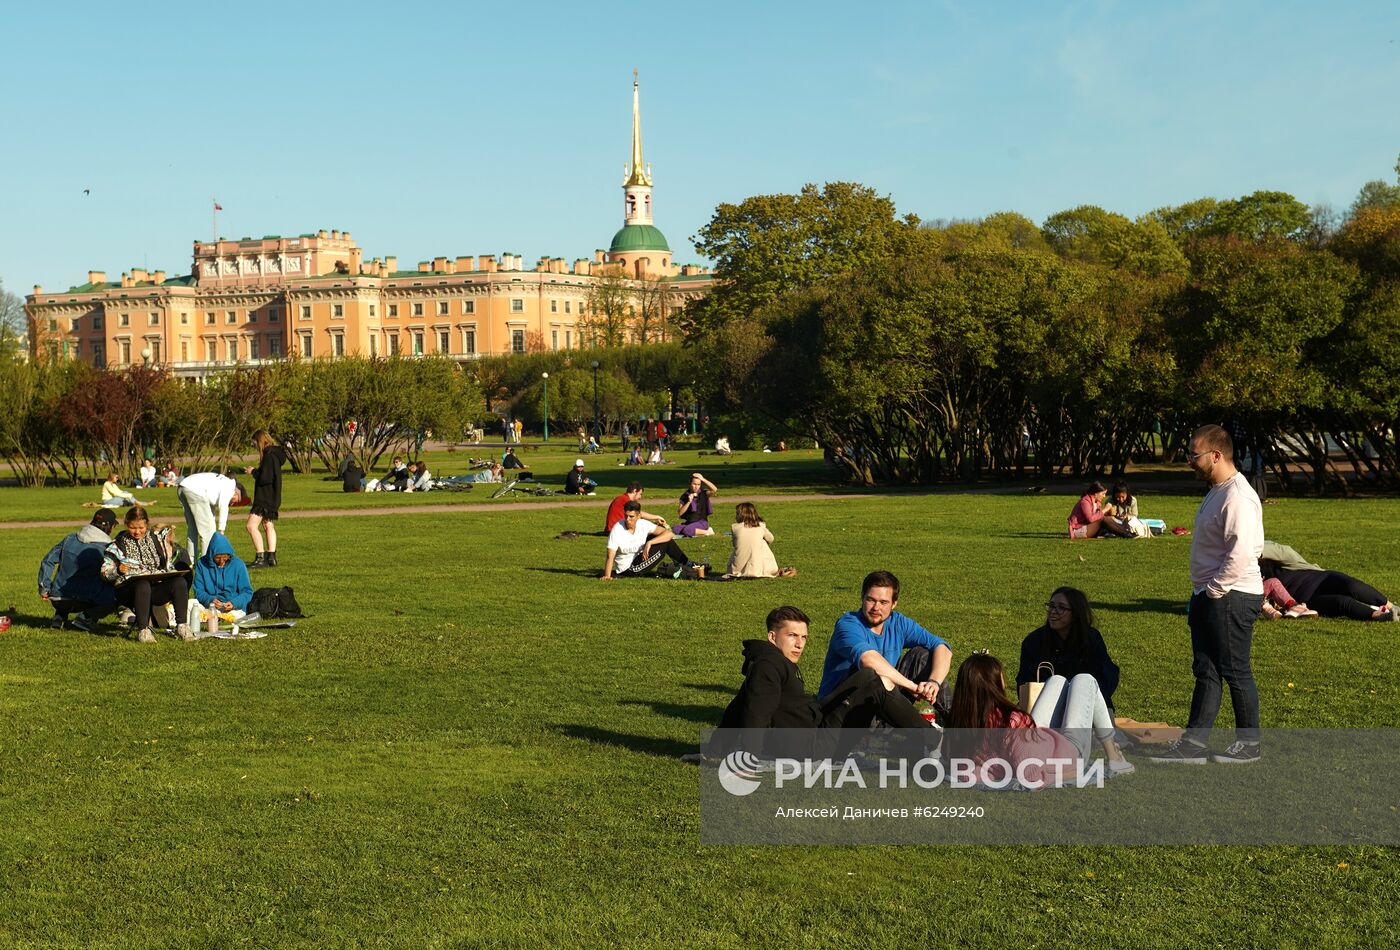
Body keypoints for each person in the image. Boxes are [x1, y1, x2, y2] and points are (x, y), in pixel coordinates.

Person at [1150, 424, 1264, 765]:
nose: (1189, 460)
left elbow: (1243, 551)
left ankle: (1249, 745)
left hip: (1231, 594)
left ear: (1216, 456)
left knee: (1234, 670)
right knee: (1207, 670)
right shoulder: (1218, 490)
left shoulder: (1238, 496)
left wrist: (1214, 591)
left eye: (1194, 454)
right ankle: (1194, 743)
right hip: (1210, 594)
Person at [718, 606, 937, 759]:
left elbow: (740, 701)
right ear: (772, 637)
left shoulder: (769, 660)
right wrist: (749, 756)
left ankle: (927, 735)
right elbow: (757, 709)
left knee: (868, 676)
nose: (799, 644)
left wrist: (717, 747)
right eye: (792, 636)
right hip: (812, 748)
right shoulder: (769, 665)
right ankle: (933, 739)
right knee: (877, 686)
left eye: (803, 637)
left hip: (815, 727)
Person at [945, 653, 1133, 788]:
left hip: (1041, 741)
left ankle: (1114, 753)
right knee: (1085, 680)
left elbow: (968, 771)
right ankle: (1114, 756)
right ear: (994, 684)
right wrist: (1078, 772)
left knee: (1057, 680)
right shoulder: (1012, 723)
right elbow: (1032, 775)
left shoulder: (962, 720)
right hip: (1068, 754)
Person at [816, 571, 954, 722]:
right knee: (869, 675)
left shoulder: (898, 623)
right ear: (862, 597)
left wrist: (934, 682)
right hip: (841, 711)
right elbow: (868, 660)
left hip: (882, 700)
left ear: (894, 603)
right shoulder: (848, 625)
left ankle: (961, 723)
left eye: (883, 602)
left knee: (922, 656)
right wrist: (912, 687)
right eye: (871, 600)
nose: (876, 607)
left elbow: (942, 646)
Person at [1016, 587, 1120, 713]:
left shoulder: (1090, 639)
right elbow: (1024, 681)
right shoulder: (1034, 641)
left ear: (1075, 613)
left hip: (1086, 705)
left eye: (1061, 608)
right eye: (1051, 606)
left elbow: (1105, 676)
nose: (1053, 612)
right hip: (1045, 707)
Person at [100, 506, 192, 643]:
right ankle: (143, 630)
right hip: (129, 591)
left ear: (147, 524)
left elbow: (168, 563)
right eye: (132, 528)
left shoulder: (157, 540)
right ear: (126, 524)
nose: (137, 532)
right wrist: (118, 570)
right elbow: (104, 574)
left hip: (155, 587)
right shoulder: (117, 545)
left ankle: (182, 626)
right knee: (142, 584)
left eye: (141, 528)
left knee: (179, 583)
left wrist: (168, 572)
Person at [37, 509, 119, 631]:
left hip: (58, 599)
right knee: (117, 593)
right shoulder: (108, 547)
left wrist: (45, 588)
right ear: (109, 526)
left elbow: (48, 560)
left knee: (68, 580)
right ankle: (86, 618)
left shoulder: (69, 538)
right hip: (85, 600)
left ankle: (59, 617)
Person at [600, 501, 702, 580]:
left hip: (640, 558)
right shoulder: (617, 529)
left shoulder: (642, 524)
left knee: (661, 538)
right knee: (665, 543)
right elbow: (610, 555)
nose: (627, 519)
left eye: (631, 517)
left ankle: (686, 564)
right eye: (626, 516)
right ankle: (687, 564)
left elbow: (669, 533)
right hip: (629, 569)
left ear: (639, 516)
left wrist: (650, 542)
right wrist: (607, 576)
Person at [176, 471, 246, 558]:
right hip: (195, 490)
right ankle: (207, 562)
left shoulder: (220, 485)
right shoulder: (230, 486)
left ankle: (190, 560)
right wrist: (221, 530)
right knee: (208, 532)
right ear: (237, 493)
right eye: (236, 501)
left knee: (193, 528)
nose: (233, 504)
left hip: (183, 486)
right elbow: (223, 506)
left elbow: (209, 511)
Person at [244, 429, 285, 569]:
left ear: (260, 441)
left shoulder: (269, 456)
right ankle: (271, 557)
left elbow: (265, 478)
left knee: (251, 526)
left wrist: (253, 471)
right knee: (268, 525)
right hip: (273, 496)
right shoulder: (275, 455)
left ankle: (260, 557)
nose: (254, 445)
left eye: (254, 442)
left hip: (264, 498)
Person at [726, 502, 796, 579]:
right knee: (762, 541)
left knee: (749, 543)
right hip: (756, 569)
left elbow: (735, 544)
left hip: (735, 569)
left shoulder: (735, 527)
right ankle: (770, 569)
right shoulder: (760, 527)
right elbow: (771, 539)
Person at [193, 532, 253, 617]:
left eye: (224, 557)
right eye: (217, 558)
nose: (221, 561)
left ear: (229, 555)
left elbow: (247, 592)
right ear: (211, 555)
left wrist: (234, 603)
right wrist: (211, 600)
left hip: (233, 607)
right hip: (210, 606)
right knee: (191, 605)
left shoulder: (238, 564)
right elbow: (199, 592)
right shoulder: (202, 564)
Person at [1067, 481, 1134, 539]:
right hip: (1078, 530)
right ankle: (1126, 534)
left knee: (1107, 519)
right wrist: (1105, 509)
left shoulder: (1097, 502)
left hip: (1089, 527)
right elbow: (1090, 519)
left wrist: (1107, 514)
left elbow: (1098, 516)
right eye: (1103, 494)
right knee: (1103, 520)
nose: (1104, 496)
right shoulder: (1085, 502)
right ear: (1096, 494)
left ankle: (1127, 532)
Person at [675, 472, 718, 537]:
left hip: (702, 522)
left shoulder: (704, 493)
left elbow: (714, 489)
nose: (696, 486)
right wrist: (689, 502)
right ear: (690, 484)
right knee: (675, 529)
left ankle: (708, 531)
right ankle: (697, 531)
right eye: (694, 484)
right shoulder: (685, 496)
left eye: (698, 484)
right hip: (690, 522)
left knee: (687, 530)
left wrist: (703, 479)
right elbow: (680, 513)